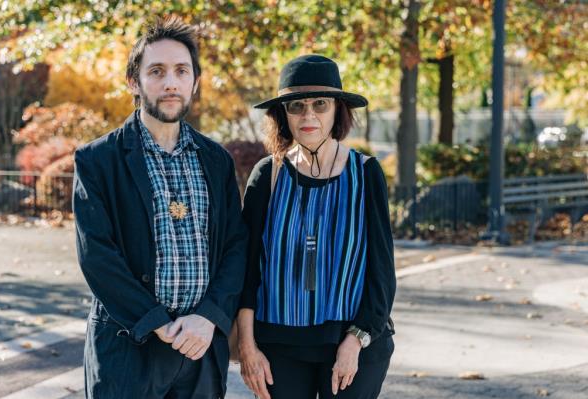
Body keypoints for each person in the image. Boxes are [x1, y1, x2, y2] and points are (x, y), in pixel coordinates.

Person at [73, 16, 247, 398]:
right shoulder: (98, 160)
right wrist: (155, 322)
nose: (170, 82)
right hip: (128, 347)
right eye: (157, 71)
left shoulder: (216, 160)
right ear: (134, 82)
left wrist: (209, 317)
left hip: (199, 350)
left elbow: (236, 246)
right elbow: (98, 256)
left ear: (195, 83)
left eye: (181, 71)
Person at [236, 54, 397, 399]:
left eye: (320, 104)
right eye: (296, 106)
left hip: (353, 339)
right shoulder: (268, 175)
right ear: (283, 114)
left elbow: (381, 271)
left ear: (338, 109)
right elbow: (246, 271)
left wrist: (356, 340)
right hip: (278, 343)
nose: (309, 115)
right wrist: (247, 348)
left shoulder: (365, 173)